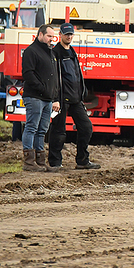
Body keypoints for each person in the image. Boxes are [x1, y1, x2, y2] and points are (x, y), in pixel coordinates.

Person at [48, 23, 100, 170]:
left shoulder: (72, 51)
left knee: (86, 127)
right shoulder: (56, 53)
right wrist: (55, 99)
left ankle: (82, 160)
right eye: (66, 34)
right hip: (61, 99)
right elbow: (54, 78)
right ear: (60, 35)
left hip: (76, 99)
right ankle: (55, 162)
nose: (69, 37)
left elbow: (77, 74)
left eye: (71, 34)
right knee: (58, 131)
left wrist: (82, 93)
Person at [21, 24, 60, 172]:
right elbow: (28, 74)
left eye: (52, 36)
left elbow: (54, 77)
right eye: (49, 36)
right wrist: (42, 89)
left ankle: (40, 162)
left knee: (42, 129)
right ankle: (29, 163)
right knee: (32, 127)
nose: (52, 39)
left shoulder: (50, 53)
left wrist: (54, 96)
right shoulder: (31, 51)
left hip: (47, 99)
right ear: (40, 35)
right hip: (35, 97)